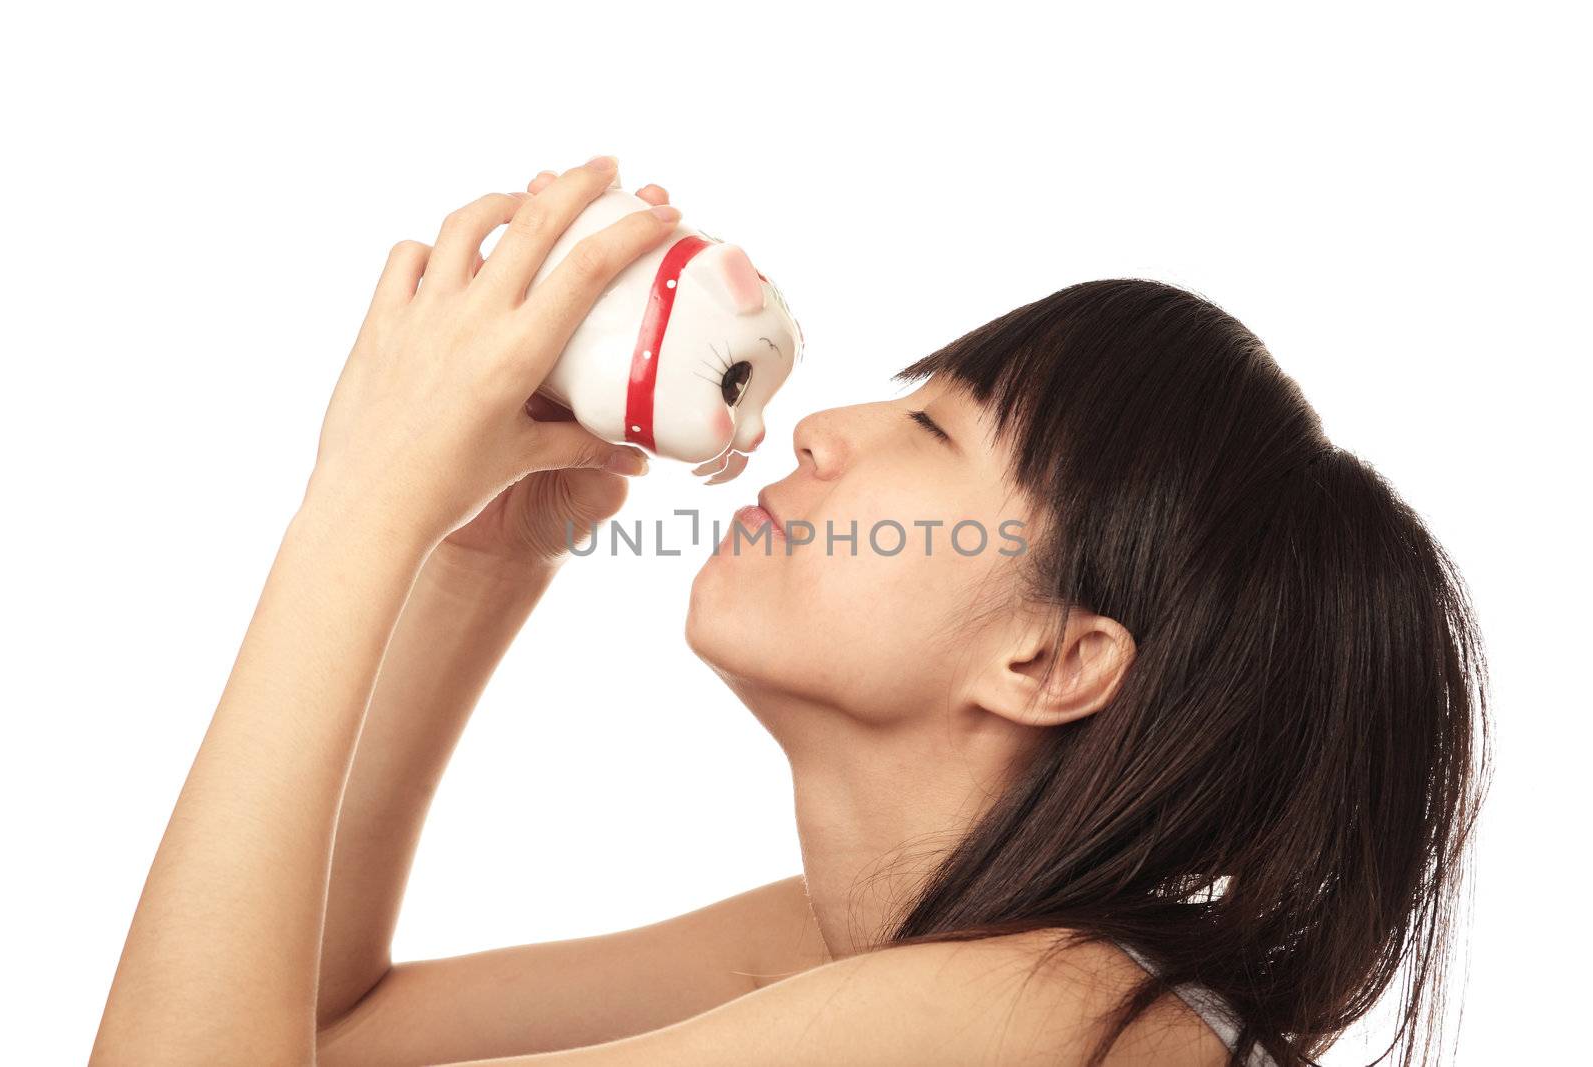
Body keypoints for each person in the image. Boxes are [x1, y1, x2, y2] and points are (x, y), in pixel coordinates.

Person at [91, 156, 1490, 1067]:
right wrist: (477, 554)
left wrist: (362, 499)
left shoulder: (1025, 1021)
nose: (820, 428)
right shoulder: (890, 949)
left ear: (1053, 659)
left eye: (935, 434)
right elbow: (326, 1030)